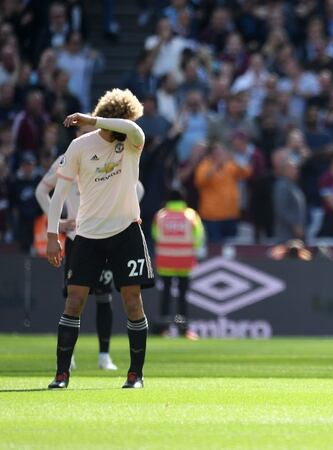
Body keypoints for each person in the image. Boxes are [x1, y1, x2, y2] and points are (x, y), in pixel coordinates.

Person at [45, 89, 155, 390]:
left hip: (126, 232)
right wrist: (52, 235)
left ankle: (135, 375)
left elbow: (133, 129)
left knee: (133, 300)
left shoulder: (132, 142)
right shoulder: (79, 147)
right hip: (88, 235)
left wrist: (92, 119)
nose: (123, 127)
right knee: (75, 301)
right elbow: (59, 194)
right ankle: (62, 374)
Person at [36, 128, 145, 371]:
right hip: (79, 236)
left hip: (109, 234)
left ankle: (104, 355)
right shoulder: (67, 157)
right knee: (74, 298)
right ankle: (69, 358)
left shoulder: (113, 154)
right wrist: (58, 223)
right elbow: (42, 190)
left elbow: (137, 188)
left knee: (106, 296)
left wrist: (124, 212)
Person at [152, 189, 204, 339]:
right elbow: (199, 237)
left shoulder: (160, 215)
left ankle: (163, 329)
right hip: (184, 261)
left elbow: (155, 235)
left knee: (165, 296)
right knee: (182, 297)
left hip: (165, 262)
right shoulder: (191, 215)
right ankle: (183, 329)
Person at [194, 142, 252, 243]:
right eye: (217, 153)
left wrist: (235, 160)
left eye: (222, 152)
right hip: (212, 216)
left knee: (231, 246)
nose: (220, 155)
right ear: (211, 154)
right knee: (215, 247)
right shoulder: (205, 165)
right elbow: (200, 181)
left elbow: (247, 173)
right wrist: (215, 166)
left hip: (231, 214)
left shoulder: (230, 165)